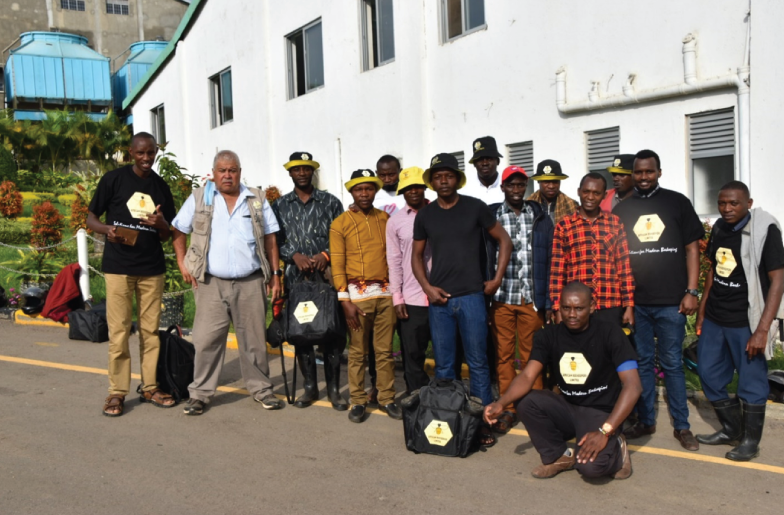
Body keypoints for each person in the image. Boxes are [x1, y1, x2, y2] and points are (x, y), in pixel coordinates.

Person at [484, 281, 641, 480]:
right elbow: (527, 376)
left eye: (579, 308)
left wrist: (604, 431)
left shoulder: (610, 333)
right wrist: (501, 402)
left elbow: (633, 385)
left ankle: (617, 443)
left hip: (601, 412)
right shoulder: (548, 335)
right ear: (559, 307)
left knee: (591, 469)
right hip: (568, 406)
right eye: (566, 308)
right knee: (526, 402)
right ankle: (559, 456)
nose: (572, 315)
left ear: (592, 307)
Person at [412, 152, 512, 447]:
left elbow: (503, 240)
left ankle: (482, 424)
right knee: (444, 366)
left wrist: (496, 278)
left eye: (449, 175)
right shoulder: (426, 215)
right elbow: (416, 257)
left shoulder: (475, 207)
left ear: (457, 179)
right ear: (432, 182)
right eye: (438, 176)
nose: (443, 180)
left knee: (479, 363)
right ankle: (449, 418)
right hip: (440, 301)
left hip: (472, 298)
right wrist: (427, 288)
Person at [172, 150, 283, 415]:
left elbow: (270, 238)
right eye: (222, 170)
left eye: (232, 170)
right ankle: (200, 394)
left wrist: (276, 275)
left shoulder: (255, 199)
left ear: (240, 172)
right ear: (214, 173)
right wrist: (181, 262)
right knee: (206, 340)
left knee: (254, 340)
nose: (227, 175)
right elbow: (178, 229)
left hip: (251, 281)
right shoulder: (200, 197)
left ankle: (262, 389)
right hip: (211, 282)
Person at [613, 149, 704, 451]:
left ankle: (682, 425)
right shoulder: (622, 210)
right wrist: (624, 302)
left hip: (671, 302)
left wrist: (691, 291)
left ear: (659, 172)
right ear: (632, 174)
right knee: (641, 364)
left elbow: (693, 249)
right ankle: (646, 419)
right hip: (636, 303)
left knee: (672, 364)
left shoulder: (677, 202)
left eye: (648, 172)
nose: (643, 177)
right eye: (638, 172)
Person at [87, 132, 177, 417]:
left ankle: (150, 386)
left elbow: (166, 235)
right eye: (141, 153)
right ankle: (117, 392)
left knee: (151, 333)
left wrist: (162, 223)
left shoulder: (161, 187)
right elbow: (91, 218)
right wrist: (107, 230)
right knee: (119, 332)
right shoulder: (113, 180)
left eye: (151, 153)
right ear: (131, 153)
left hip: (152, 269)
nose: (147, 158)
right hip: (118, 268)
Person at [695, 181, 784, 461]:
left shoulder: (764, 231)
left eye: (733, 203)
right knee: (708, 372)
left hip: (746, 320)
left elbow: (778, 280)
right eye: (722, 203)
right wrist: (702, 309)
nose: (727, 208)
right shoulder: (720, 228)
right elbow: (713, 270)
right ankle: (732, 428)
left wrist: (762, 329)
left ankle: (750, 441)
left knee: (751, 382)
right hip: (716, 317)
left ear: (748, 202)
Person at [272, 151, 347, 411]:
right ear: (290, 173)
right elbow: (274, 241)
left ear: (312, 172)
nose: (302, 173)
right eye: (297, 169)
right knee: (302, 333)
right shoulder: (279, 206)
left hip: (326, 279)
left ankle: (335, 390)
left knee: (331, 333)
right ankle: (309, 388)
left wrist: (325, 254)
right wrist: (293, 255)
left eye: (306, 169)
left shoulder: (331, 202)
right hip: (296, 279)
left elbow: (341, 235)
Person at [330, 169, 401, 423]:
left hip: (386, 296)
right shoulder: (340, 223)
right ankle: (358, 401)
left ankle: (387, 398)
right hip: (357, 299)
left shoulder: (385, 219)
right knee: (358, 352)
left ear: (375, 191)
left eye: (369, 188)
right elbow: (337, 265)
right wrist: (344, 301)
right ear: (351, 192)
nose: (364, 193)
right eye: (358, 189)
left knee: (384, 352)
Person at [489, 165, 554, 434]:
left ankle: (532, 407)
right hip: (502, 297)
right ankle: (508, 408)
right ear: (503, 187)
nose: (516, 190)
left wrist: (549, 301)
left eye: (520, 185)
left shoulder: (539, 216)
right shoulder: (491, 216)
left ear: (526, 188)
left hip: (531, 298)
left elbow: (550, 260)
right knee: (504, 356)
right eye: (511, 185)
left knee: (532, 358)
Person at [551, 172, 635, 327]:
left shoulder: (615, 223)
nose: (590, 197)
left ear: (604, 195)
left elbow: (624, 267)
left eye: (596, 193)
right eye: (586, 192)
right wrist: (557, 308)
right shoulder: (565, 226)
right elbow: (557, 272)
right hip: (576, 308)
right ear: (578, 192)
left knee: (609, 349)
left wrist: (629, 306)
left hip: (609, 303)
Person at [386, 166, 433, 393]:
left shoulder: (440, 213)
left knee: (447, 353)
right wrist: (397, 297)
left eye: (417, 186)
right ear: (402, 191)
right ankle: (417, 398)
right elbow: (394, 261)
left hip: (441, 295)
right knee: (413, 355)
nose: (413, 191)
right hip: (412, 298)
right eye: (408, 188)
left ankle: (445, 401)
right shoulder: (395, 222)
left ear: (424, 188)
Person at [526, 159, 579, 224]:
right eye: (546, 182)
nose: (551, 186)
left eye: (555, 181)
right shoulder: (529, 204)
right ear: (538, 181)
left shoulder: (572, 205)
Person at [461, 136, 505, 206]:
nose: (485, 163)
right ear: (474, 163)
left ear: (498, 161)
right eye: (480, 159)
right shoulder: (465, 191)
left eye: (489, 158)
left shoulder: (509, 187)